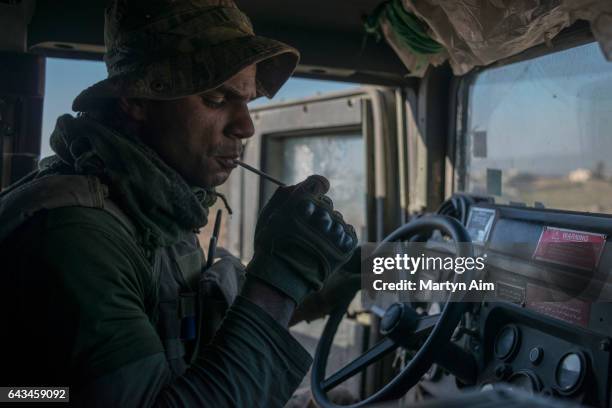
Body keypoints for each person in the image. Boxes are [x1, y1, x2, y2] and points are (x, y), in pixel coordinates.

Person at [0, 0, 360, 406]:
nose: (245, 126)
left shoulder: (155, 209)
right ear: (138, 98)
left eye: (247, 102)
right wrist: (282, 275)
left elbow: (217, 313)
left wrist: (411, 268)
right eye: (216, 98)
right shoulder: (74, 236)